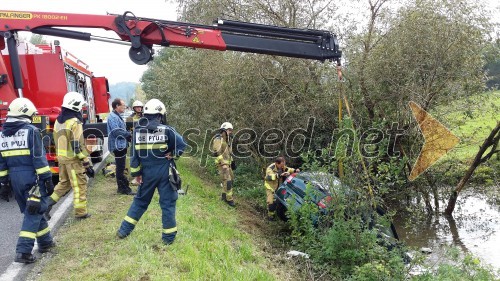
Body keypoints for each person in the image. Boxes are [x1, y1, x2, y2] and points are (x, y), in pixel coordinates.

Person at [117, 98, 187, 245]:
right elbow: (182, 144)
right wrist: (173, 154)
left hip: (147, 174)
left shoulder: (137, 132)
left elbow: (134, 156)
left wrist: (136, 175)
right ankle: (168, 239)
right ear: (160, 115)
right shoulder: (167, 130)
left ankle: (124, 231)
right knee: (168, 204)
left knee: (140, 202)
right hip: (165, 174)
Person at [0, 98, 56, 263]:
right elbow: (39, 158)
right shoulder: (31, 131)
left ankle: (45, 242)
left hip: (14, 179)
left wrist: (3, 182)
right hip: (32, 177)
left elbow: (1, 162)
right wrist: (47, 179)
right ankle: (23, 251)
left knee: (33, 209)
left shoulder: (2, 134)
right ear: (25, 114)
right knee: (34, 211)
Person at [45, 92, 95, 220]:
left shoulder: (58, 120)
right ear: (76, 105)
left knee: (64, 183)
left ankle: (45, 206)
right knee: (79, 186)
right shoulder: (75, 122)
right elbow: (77, 145)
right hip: (73, 160)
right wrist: (86, 163)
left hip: (62, 159)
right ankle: (81, 212)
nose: (82, 109)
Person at [107, 98, 134, 195]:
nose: (125, 106)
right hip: (118, 146)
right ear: (117, 106)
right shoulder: (113, 117)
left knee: (121, 167)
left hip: (121, 145)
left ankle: (122, 188)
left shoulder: (116, 116)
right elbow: (116, 132)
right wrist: (129, 135)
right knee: (120, 168)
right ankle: (123, 189)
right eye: (123, 105)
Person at [212, 122, 236, 207]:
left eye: (231, 130)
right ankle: (229, 199)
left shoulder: (227, 140)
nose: (230, 132)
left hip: (227, 164)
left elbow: (228, 153)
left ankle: (223, 196)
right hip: (222, 165)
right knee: (228, 181)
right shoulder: (218, 139)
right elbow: (217, 152)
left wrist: (232, 163)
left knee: (231, 180)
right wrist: (223, 164)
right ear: (224, 130)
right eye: (229, 130)